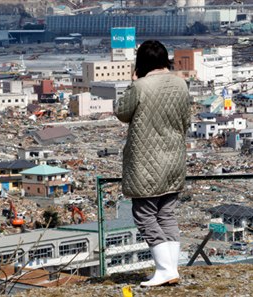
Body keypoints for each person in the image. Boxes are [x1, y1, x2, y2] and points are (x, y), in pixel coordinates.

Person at [114, 40, 190, 287]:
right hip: (174, 159)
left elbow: (121, 112)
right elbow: (185, 121)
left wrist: (133, 82)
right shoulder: (181, 84)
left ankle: (165, 269)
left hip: (147, 162)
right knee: (166, 213)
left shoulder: (141, 86)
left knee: (144, 214)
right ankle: (171, 270)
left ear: (142, 63)